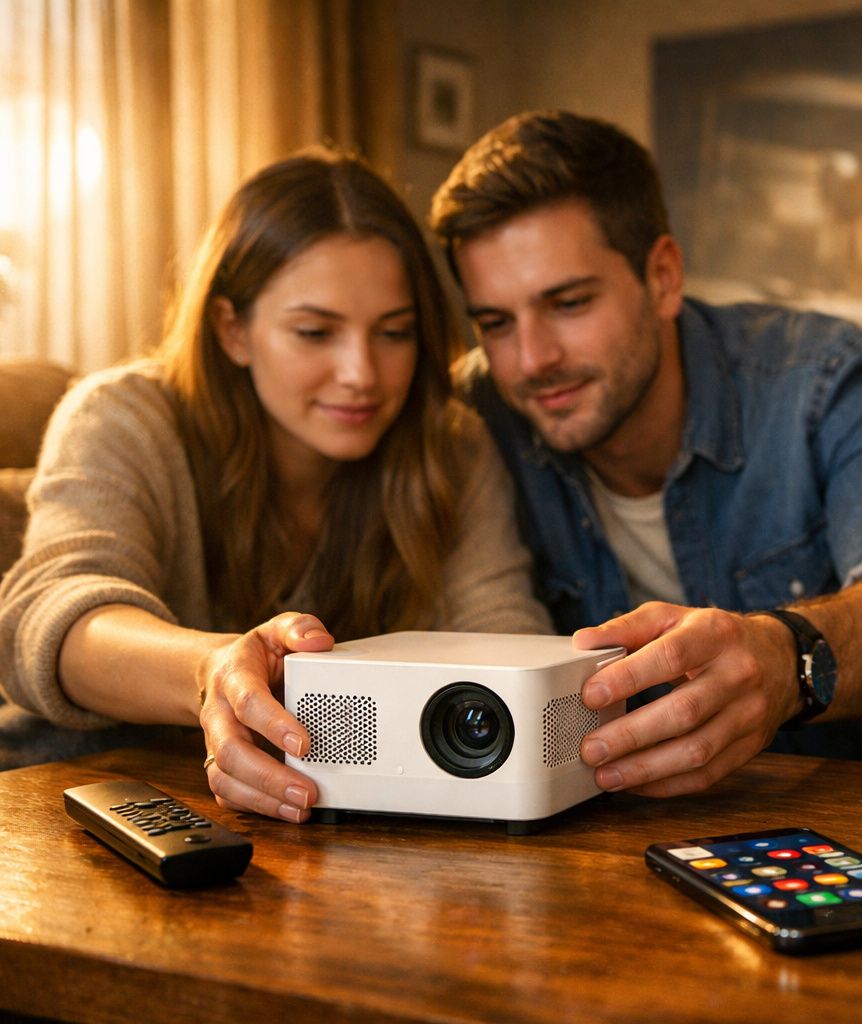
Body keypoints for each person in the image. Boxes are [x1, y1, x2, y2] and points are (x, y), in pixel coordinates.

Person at [429, 110, 862, 798]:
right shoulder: (471, 418)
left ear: (664, 277)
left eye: (570, 303)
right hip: (616, 787)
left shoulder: (829, 377)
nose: (532, 360)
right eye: (495, 323)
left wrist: (788, 657)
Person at [0, 151, 550, 819]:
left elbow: (505, 637)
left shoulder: (449, 442)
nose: (362, 374)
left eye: (395, 333)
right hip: (74, 802)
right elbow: (51, 618)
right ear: (233, 330)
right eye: (315, 332)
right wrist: (213, 671)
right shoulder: (124, 415)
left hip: (323, 830)